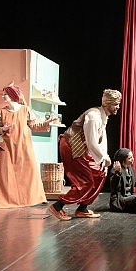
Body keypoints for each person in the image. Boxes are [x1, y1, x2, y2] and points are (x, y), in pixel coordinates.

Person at [48, 89, 122, 220]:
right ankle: (58, 206)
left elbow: (101, 139)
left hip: (82, 148)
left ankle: (83, 208)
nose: (118, 107)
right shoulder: (94, 116)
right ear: (108, 103)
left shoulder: (103, 116)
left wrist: (103, 160)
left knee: (99, 174)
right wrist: (103, 158)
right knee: (85, 181)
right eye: (116, 104)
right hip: (72, 146)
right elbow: (91, 141)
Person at [0, 85, 53, 208]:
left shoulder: (25, 110)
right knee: (6, 174)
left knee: (29, 172)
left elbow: (35, 125)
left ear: (13, 96)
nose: (3, 96)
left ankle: (34, 197)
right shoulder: (2, 112)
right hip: (6, 148)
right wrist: (3, 128)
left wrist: (46, 123)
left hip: (23, 146)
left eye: (6, 95)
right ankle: (9, 200)